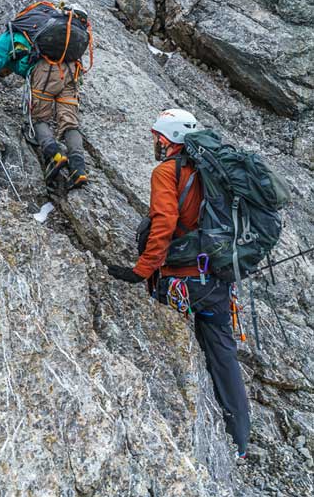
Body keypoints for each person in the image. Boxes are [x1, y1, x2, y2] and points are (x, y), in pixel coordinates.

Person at [108, 108, 250, 462]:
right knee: (223, 353)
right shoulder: (211, 171)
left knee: (154, 332)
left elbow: (164, 224)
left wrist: (141, 271)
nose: (155, 142)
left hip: (182, 281)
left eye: (158, 137)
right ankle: (239, 438)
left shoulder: (166, 172)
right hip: (216, 278)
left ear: (168, 139)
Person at [0, 2, 89, 190]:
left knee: (39, 119)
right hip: (71, 71)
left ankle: (55, 155)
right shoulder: (50, 30)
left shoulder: (12, 33)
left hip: (46, 72)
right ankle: (79, 169)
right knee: (70, 122)